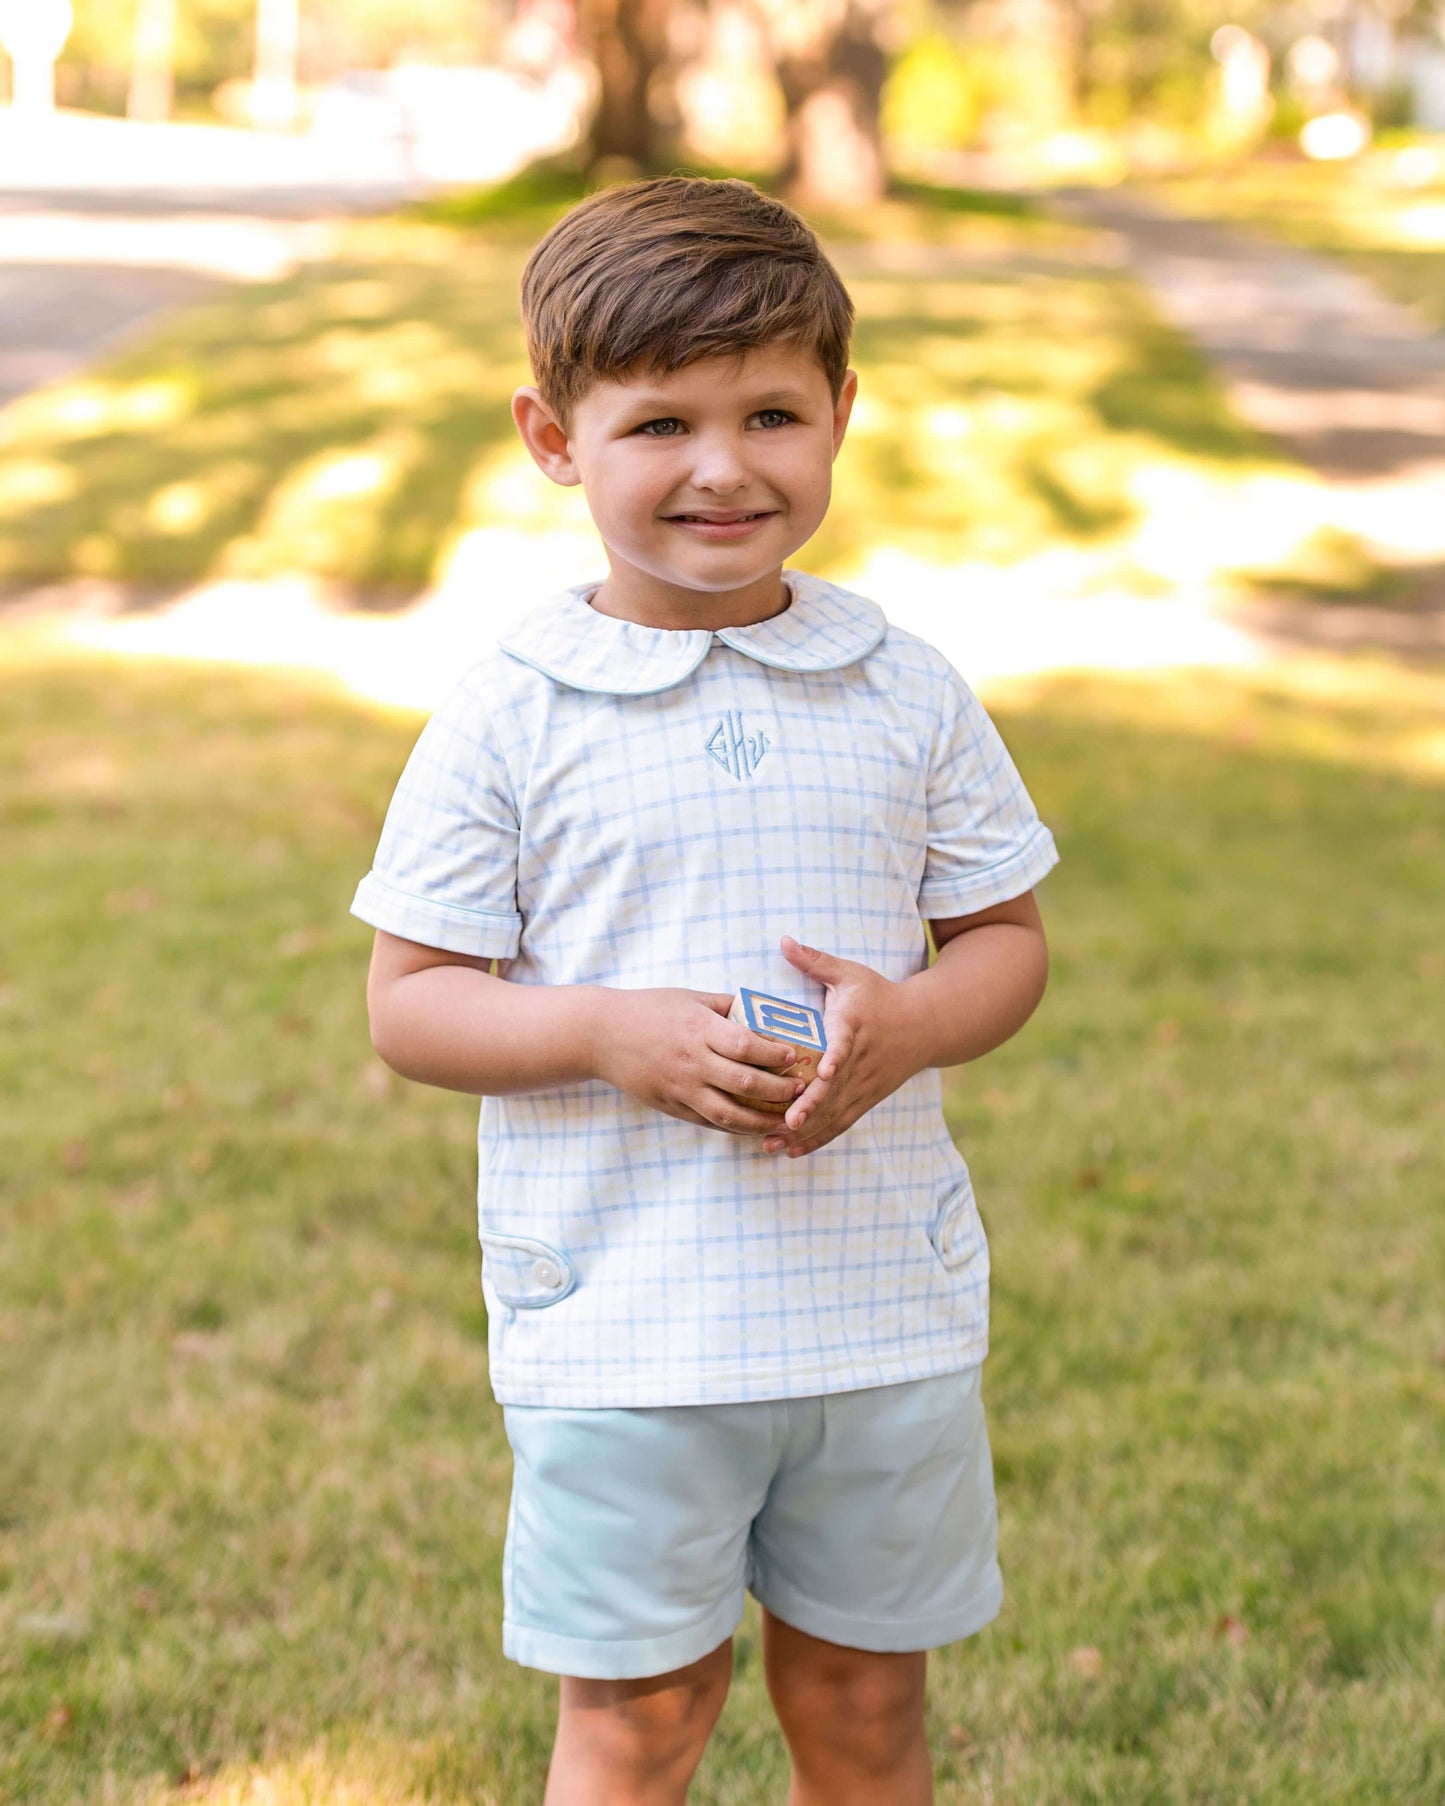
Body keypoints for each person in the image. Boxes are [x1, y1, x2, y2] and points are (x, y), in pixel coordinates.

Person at [352, 174, 1058, 1806]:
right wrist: (603, 1030)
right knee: (637, 1719)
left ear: (840, 413)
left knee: (868, 1708)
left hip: (877, 1314)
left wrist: (912, 1020)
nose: (723, 465)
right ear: (553, 436)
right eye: (659, 423)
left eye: (769, 414)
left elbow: (1006, 946)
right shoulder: (513, 711)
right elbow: (411, 1003)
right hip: (627, 1329)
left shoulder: (901, 683)